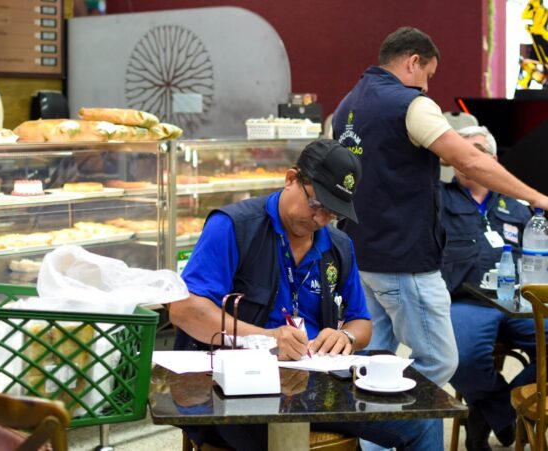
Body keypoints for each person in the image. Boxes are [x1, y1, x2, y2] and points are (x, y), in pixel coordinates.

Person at [170, 139, 442, 451]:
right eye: (316, 205)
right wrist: (265, 338)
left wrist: (347, 339)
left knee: (423, 416)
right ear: (291, 179)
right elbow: (184, 310)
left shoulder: (338, 245)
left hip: (315, 382)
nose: (320, 219)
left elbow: (361, 323)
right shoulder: (234, 227)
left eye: (333, 212)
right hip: (235, 383)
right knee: (284, 438)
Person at [332, 26, 548, 387]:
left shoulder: (347, 106)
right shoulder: (410, 104)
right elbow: (471, 162)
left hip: (359, 254)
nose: (428, 88)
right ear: (414, 61)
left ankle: (378, 441)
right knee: (439, 361)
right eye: (428, 76)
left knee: (372, 364)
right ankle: (409, 432)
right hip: (404, 260)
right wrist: (537, 197)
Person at [441, 125, 541, 451]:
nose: (468, 160)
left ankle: (488, 409)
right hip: (466, 301)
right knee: (459, 356)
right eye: (461, 152)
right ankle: (503, 411)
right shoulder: (437, 200)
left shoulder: (517, 205)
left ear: (493, 159)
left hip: (520, 303)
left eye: (477, 153)